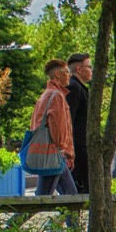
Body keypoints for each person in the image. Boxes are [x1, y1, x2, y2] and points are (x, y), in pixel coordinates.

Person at [31, 59, 77, 197]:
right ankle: (15, 220)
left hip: (49, 153)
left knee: (68, 198)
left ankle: (61, 220)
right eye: (67, 72)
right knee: (68, 199)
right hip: (54, 155)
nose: (70, 75)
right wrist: (67, 152)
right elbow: (58, 129)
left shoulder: (46, 95)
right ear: (57, 74)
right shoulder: (56, 96)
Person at [65, 53, 92, 193]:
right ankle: (73, 215)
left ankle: (72, 215)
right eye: (89, 67)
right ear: (79, 69)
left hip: (81, 145)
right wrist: (70, 149)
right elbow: (69, 119)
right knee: (80, 187)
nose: (91, 70)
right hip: (78, 147)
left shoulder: (79, 88)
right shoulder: (74, 88)